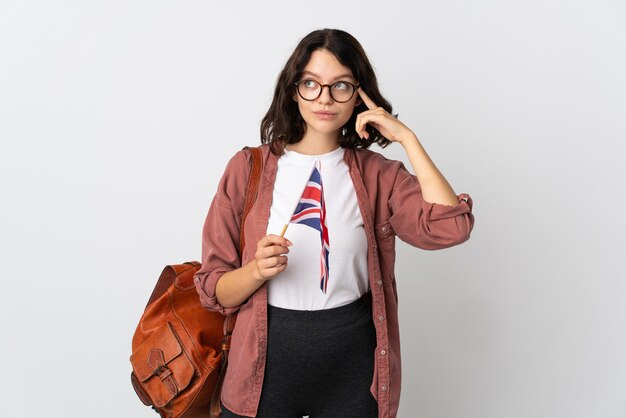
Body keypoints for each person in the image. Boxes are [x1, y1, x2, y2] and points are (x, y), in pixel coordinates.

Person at [194, 28, 475, 418]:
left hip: (352, 366)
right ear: (293, 90)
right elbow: (216, 291)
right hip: (263, 366)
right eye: (311, 83)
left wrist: (408, 139)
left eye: (340, 86)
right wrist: (256, 270)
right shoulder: (247, 170)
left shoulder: (378, 175)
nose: (324, 98)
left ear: (359, 95)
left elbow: (451, 227)